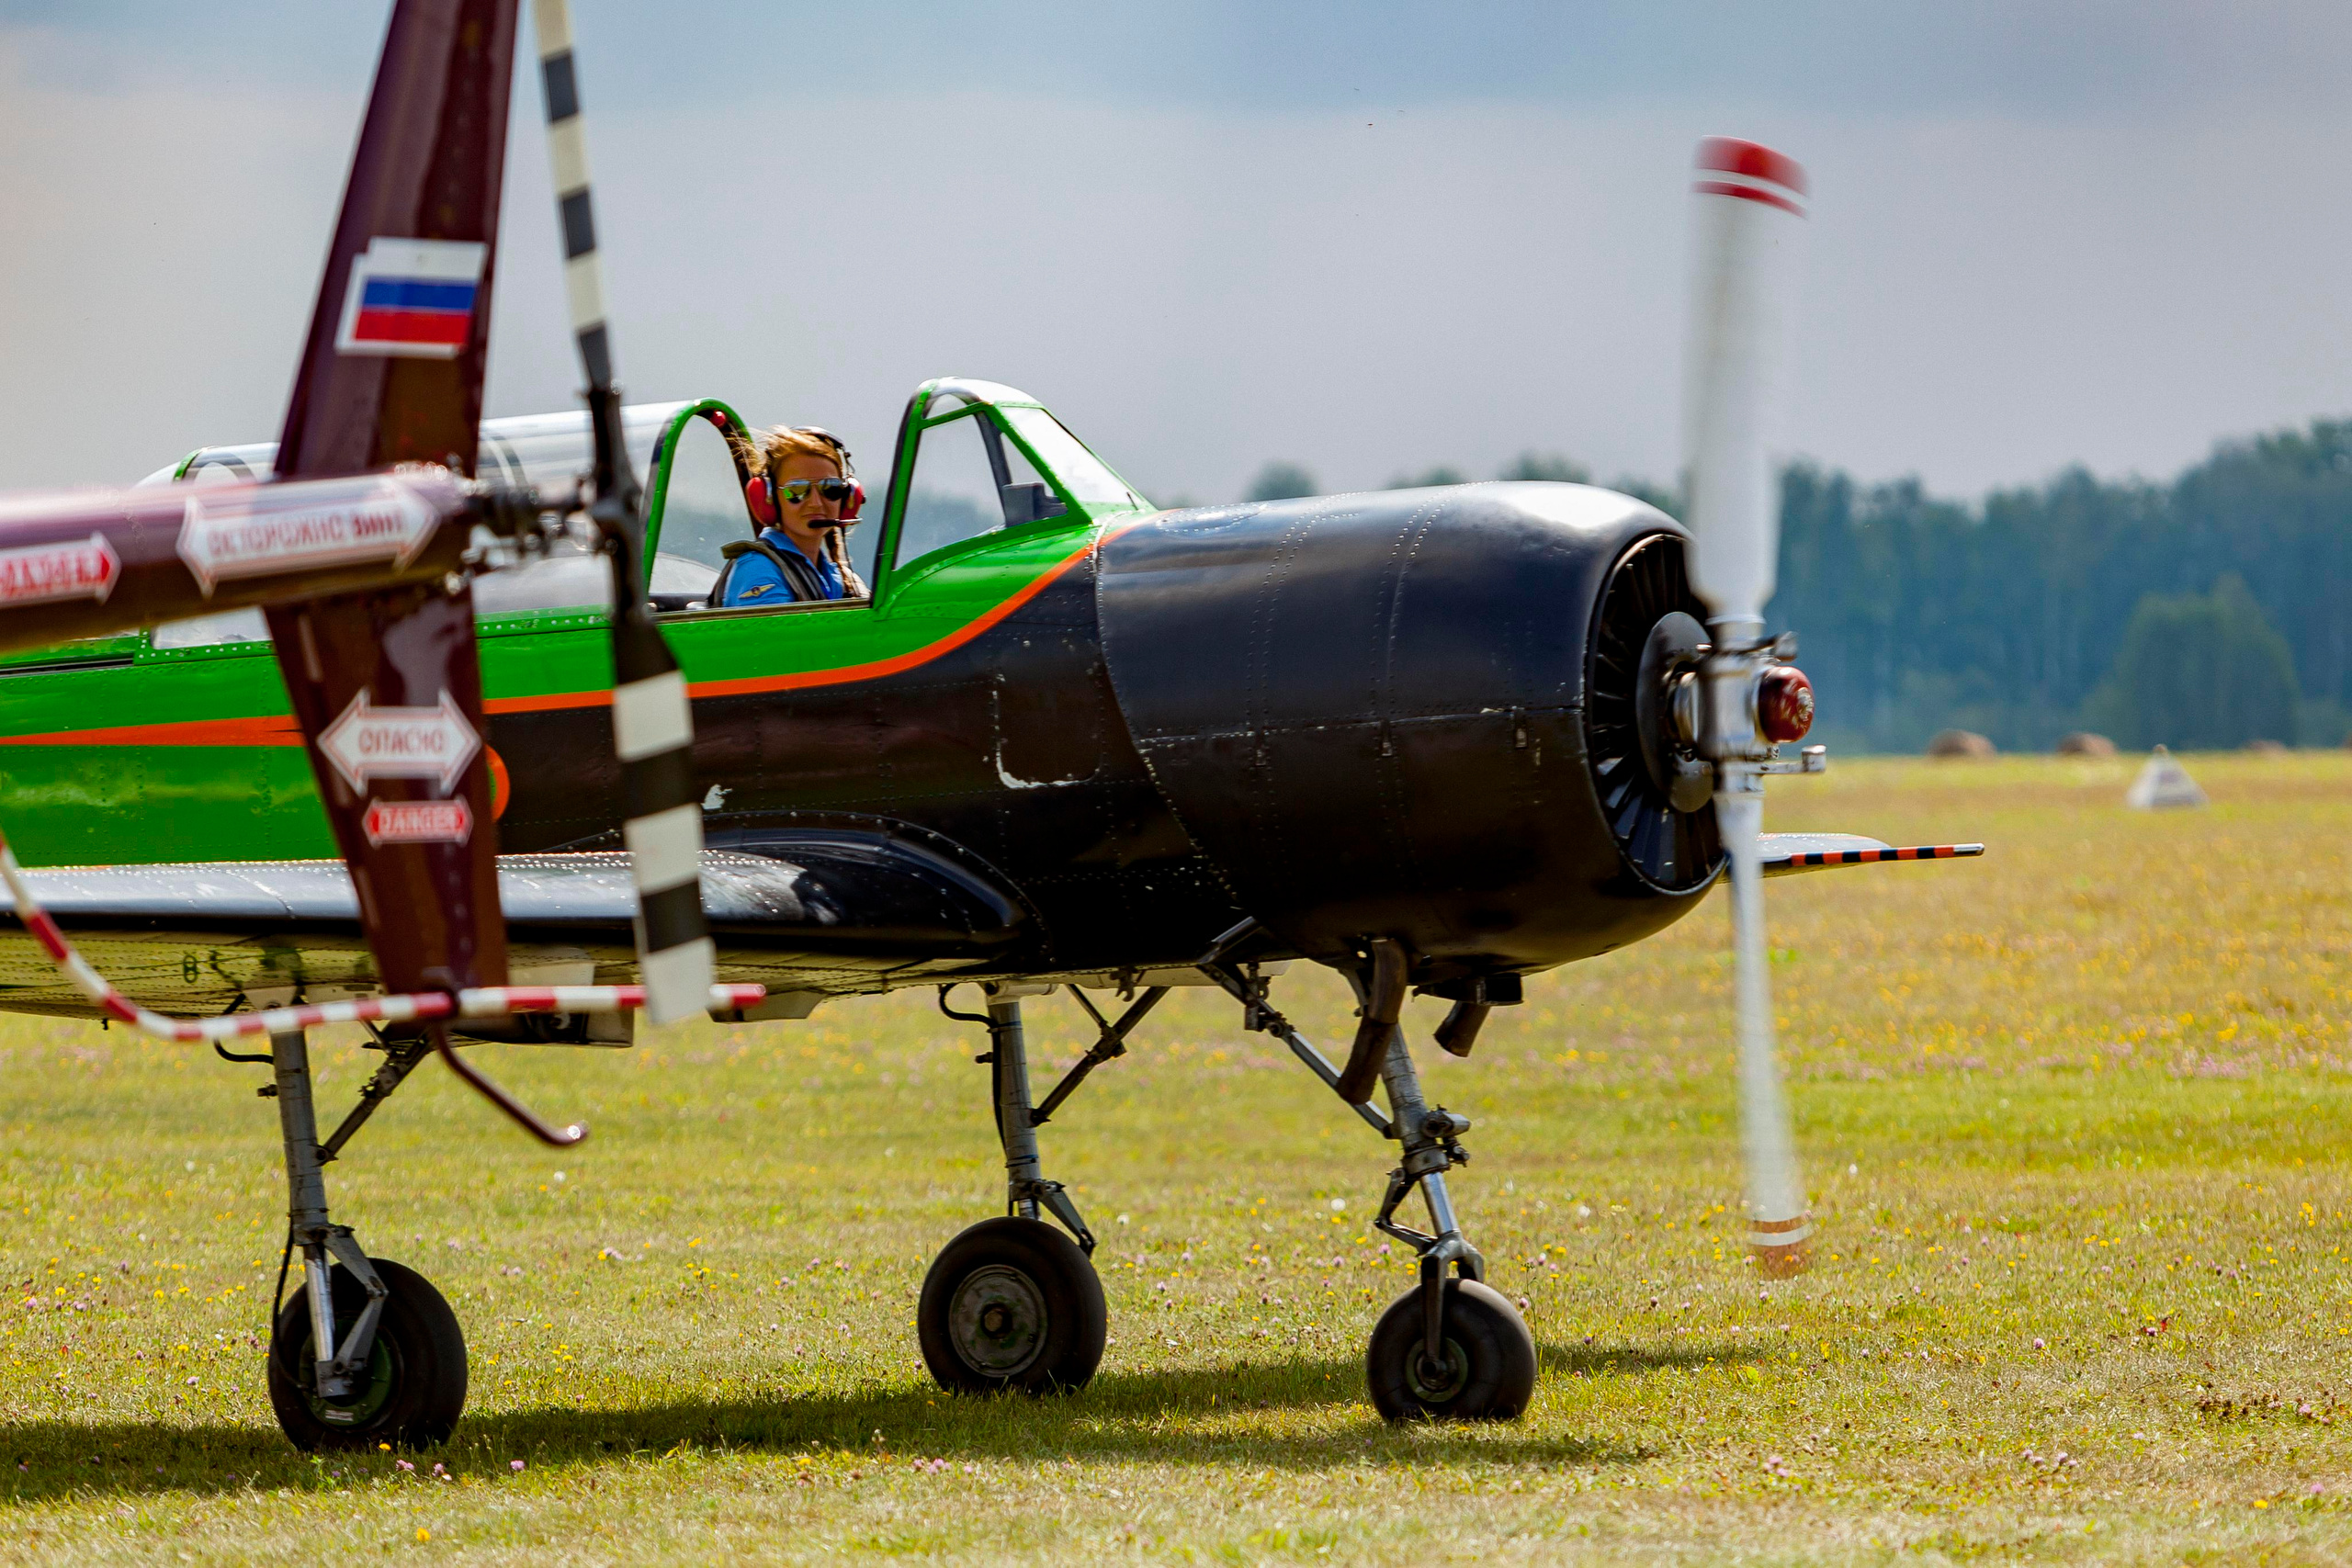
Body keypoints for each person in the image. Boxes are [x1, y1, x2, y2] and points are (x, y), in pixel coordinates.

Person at [715, 425, 870, 606]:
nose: (816, 503)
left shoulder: (839, 577)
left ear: (847, 497)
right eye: (796, 490)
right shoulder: (758, 570)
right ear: (770, 498)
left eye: (830, 488)